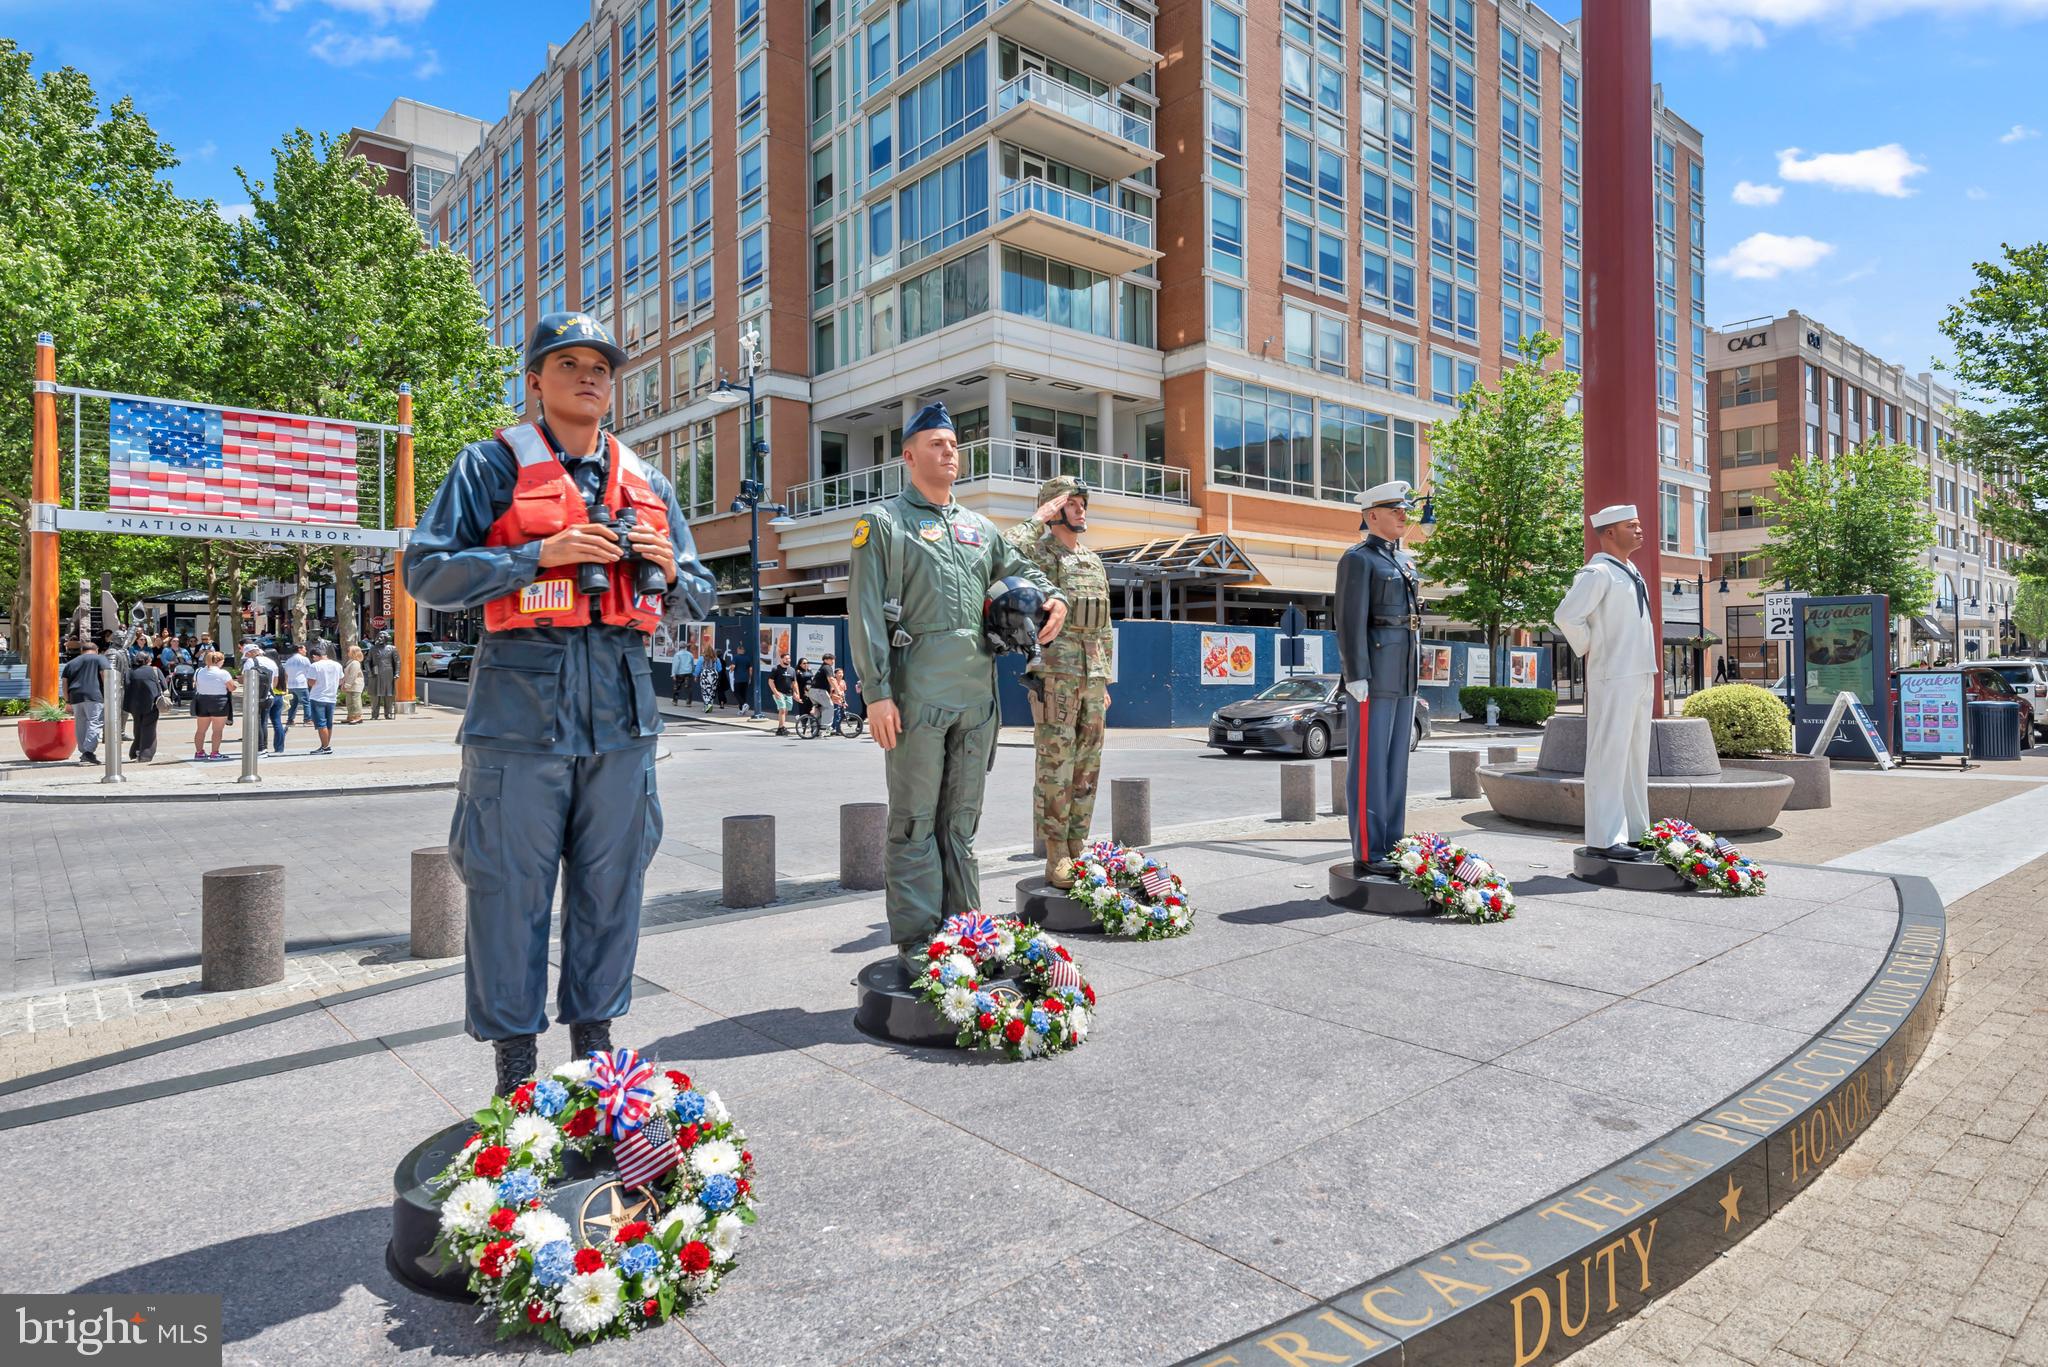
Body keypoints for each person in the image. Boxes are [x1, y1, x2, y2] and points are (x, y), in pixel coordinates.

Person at [404, 310, 714, 1096]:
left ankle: (595, 1059)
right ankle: (516, 1077)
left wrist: (666, 568)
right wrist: (537, 553)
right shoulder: (489, 466)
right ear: (534, 381)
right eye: (568, 363)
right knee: (509, 890)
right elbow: (426, 572)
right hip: (519, 703)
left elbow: (703, 596)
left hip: (622, 705)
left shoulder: (648, 483)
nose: (588, 376)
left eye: (601, 367)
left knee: (613, 886)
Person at [847, 401, 1065, 976]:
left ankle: (965, 927)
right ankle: (920, 940)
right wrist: (876, 693)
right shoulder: (885, 523)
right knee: (915, 819)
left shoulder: (978, 528)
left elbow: (1023, 568)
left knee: (962, 820)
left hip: (977, 696)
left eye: (953, 443)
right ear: (908, 455)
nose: (949, 451)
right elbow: (866, 612)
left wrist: (1056, 597)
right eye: (937, 443)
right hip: (915, 694)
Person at [1004, 475, 1113, 885]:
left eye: (1083, 501)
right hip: (1055, 674)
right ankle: (1055, 856)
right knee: (1056, 765)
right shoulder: (1038, 554)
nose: (1081, 508)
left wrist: (1105, 681)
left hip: (1092, 676)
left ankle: (1079, 847)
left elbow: (1104, 625)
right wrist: (1040, 518)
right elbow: (1005, 550)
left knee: (1088, 764)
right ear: (1054, 508)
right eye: (1072, 502)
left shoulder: (1092, 559)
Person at [1554, 504, 1660, 861]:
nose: (1640, 529)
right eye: (1632, 525)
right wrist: (1592, 648)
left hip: (1639, 673)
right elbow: (1566, 615)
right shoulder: (1598, 572)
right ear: (1610, 532)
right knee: (1608, 757)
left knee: (1634, 758)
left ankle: (1634, 831)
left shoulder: (1631, 571)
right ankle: (1604, 836)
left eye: (1639, 523)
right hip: (1613, 674)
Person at [1336, 481, 1424, 877]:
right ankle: (1370, 850)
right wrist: (1356, 674)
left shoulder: (1404, 562)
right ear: (1373, 516)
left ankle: (1393, 842)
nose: (1405, 515)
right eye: (1396, 510)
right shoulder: (1359, 559)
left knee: (1396, 764)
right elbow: (1349, 620)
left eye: (1405, 509)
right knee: (1369, 764)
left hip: (1404, 673)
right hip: (1374, 673)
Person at [60, 640, 104, 765]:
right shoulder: (100, 659)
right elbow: (104, 675)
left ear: (82, 651)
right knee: (95, 722)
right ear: (96, 650)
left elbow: (64, 682)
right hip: (94, 696)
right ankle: (88, 752)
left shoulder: (71, 663)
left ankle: (84, 751)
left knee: (80, 724)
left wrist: (67, 700)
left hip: (75, 697)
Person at [191, 650, 237, 760]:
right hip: (219, 702)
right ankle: (215, 753)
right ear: (219, 661)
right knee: (217, 730)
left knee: (200, 730)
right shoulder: (223, 673)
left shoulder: (198, 671)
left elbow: (195, 684)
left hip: (202, 701)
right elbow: (231, 688)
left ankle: (199, 752)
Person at [243, 641, 285, 753]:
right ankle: (269, 747)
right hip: (269, 695)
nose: (246, 657)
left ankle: (261, 748)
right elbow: (275, 680)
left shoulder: (250, 662)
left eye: (246, 654)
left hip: (255, 696)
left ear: (251, 652)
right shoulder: (271, 662)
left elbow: (245, 679)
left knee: (257, 722)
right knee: (265, 721)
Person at [123, 650, 165, 762]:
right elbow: (164, 686)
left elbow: (125, 686)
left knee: (137, 727)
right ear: (147, 660)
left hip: (133, 704)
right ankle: (145, 754)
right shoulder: (155, 670)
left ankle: (135, 752)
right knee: (149, 729)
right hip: (151, 703)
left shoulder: (129, 672)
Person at [305, 644, 343, 755]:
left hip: (318, 696)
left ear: (314, 656)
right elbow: (341, 681)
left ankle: (325, 747)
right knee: (328, 723)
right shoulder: (337, 665)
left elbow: (311, 682)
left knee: (321, 723)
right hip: (331, 697)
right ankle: (325, 745)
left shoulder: (315, 666)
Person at [367, 633, 400, 719]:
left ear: (386, 638)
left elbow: (397, 662)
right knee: (375, 695)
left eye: (381, 637)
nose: (379, 639)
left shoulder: (392, 648)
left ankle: (388, 713)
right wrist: (369, 672)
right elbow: (367, 661)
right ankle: (374, 714)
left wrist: (397, 673)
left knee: (388, 695)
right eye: (378, 637)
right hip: (375, 673)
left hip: (388, 674)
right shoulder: (372, 649)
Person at [282, 643, 313, 728]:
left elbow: (286, 673)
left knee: (293, 703)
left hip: (291, 684)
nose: (305, 651)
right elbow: (309, 671)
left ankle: (290, 720)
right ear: (299, 649)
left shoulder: (289, 660)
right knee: (306, 702)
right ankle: (307, 720)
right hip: (301, 684)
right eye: (304, 649)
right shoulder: (304, 659)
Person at [809, 652, 839, 736]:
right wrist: (838, 691)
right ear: (826, 660)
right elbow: (831, 679)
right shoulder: (827, 667)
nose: (833, 661)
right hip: (819, 691)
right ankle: (826, 726)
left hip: (812, 691)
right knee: (829, 706)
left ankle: (815, 731)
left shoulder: (822, 667)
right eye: (831, 659)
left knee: (819, 710)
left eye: (833, 659)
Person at [766, 652, 796, 735]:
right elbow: (770, 681)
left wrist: (796, 693)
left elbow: (794, 683)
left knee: (786, 710)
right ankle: (782, 728)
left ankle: (780, 728)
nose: (788, 660)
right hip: (779, 692)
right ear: (781, 659)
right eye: (786, 659)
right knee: (782, 709)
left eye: (789, 659)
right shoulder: (776, 669)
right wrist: (775, 692)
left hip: (789, 693)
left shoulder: (792, 670)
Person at [342, 645, 366, 724]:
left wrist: (347, 685)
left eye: (349, 651)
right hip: (351, 685)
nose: (347, 652)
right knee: (349, 701)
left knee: (355, 701)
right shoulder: (351, 661)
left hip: (355, 685)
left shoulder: (355, 663)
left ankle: (358, 717)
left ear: (353, 652)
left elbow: (352, 675)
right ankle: (351, 716)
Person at [696, 641, 719, 712]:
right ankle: (709, 705)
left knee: (705, 690)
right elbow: (719, 668)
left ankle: (707, 705)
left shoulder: (702, 658)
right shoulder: (716, 658)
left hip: (705, 674)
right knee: (712, 690)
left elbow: (698, 668)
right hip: (714, 674)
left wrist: (696, 675)